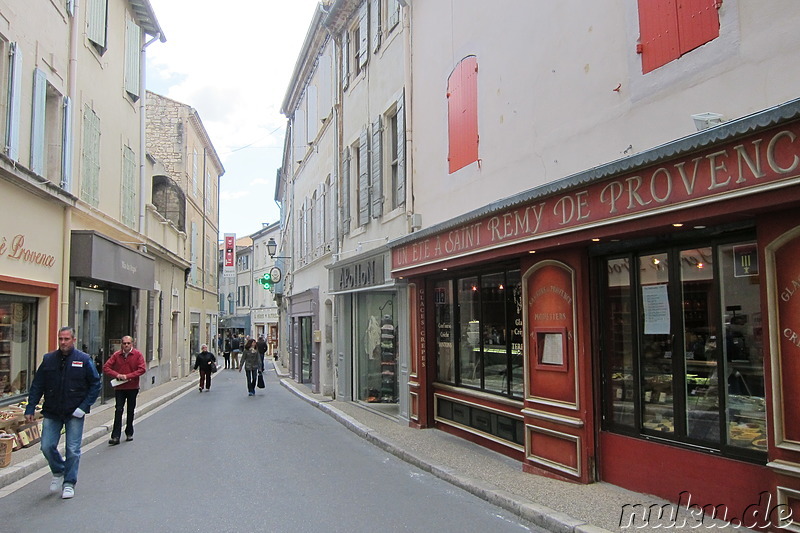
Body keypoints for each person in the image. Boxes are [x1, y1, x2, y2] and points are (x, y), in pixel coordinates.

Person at [24, 326, 101, 499]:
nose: (63, 342)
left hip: (74, 412)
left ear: (74, 340)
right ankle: (59, 470)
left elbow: (96, 384)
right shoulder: (49, 359)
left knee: (73, 449)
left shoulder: (83, 359)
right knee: (46, 446)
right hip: (52, 411)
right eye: (60, 339)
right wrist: (31, 407)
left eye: (66, 339)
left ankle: (69, 483)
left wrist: (84, 407)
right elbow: (38, 385)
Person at [102, 335, 146, 445]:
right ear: (121, 344)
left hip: (132, 387)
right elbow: (106, 367)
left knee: (130, 410)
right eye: (124, 343)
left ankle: (129, 432)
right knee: (118, 410)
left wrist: (128, 376)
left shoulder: (137, 355)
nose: (126, 345)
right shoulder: (117, 355)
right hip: (120, 388)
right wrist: (117, 375)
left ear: (132, 344)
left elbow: (142, 369)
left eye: (128, 343)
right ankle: (115, 436)